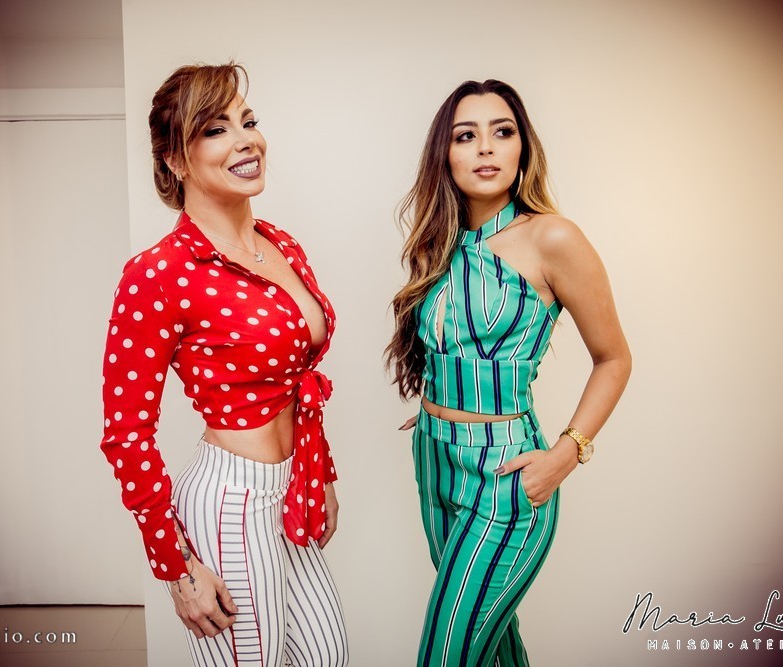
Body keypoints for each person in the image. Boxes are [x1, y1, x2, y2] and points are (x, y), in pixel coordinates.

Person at [100, 62, 348, 666]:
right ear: (175, 160)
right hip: (228, 505)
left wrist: (320, 475)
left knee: (329, 656)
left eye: (248, 121)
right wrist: (176, 566)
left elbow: (298, 381)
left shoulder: (282, 245)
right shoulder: (157, 274)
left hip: (291, 492)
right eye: (215, 129)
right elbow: (127, 434)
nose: (245, 140)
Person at [386, 79, 632, 666]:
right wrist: (442, 408)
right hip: (435, 460)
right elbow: (448, 344)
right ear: (445, 154)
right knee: (493, 653)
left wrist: (566, 453)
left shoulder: (552, 237)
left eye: (502, 131)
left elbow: (615, 358)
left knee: (445, 656)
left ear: (524, 147)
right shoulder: (439, 242)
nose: (486, 148)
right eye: (465, 136)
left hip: (505, 474)